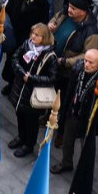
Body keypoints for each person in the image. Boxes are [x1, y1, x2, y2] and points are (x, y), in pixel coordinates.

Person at [52, 48, 98, 174]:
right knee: (67, 141)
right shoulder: (78, 69)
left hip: (89, 119)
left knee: (86, 147)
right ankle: (66, 163)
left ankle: (83, 171)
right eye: (85, 61)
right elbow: (70, 91)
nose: (86, 64)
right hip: (74, 112)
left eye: (91, 62)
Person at [7, 23, 57, 158]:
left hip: (33, 94)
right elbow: (15, 58)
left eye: (37, 35)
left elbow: (51, 78)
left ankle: (28, 145)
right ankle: (21, 137)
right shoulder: (27, 45)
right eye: (32, 33)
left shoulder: (50, 56)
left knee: (31, 121)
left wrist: (32, 78)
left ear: (44, 37)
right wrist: (21, 72)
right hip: (20, 89)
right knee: (20, 115)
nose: (33, 37)